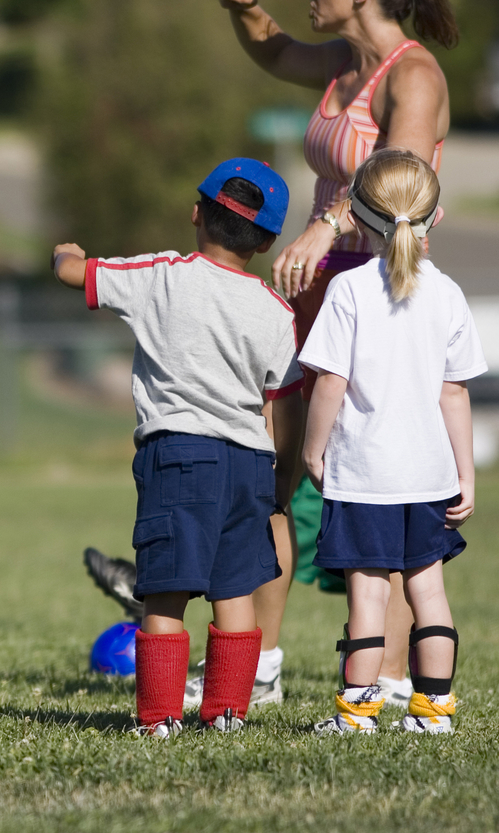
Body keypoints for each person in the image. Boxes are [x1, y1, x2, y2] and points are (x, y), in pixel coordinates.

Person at [218, 0, 460, 704]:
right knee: (272, 468)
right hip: (321, 286)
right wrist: (243, 10)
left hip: (383, 290)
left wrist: (324, 225)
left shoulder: (413, 77)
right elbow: (270, 49)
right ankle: (256, 665)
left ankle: (388, 676)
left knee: (382, 482)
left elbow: (398, 175)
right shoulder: (341, 64)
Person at [53, 159, 303, 735]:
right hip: (249, 464)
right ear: (266, 242)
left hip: (180, 456)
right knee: (236, 590)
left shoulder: (162, 274)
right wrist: (280, 485)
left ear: (197, 213)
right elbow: (286, 409)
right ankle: (228, 714)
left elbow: (77, 275)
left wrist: (63, 253)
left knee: (165, 591)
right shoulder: (277, 312)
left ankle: (159, 717)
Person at [300, 149, 484, 734]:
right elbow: (454, 394)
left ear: (354, 214)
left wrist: (311, 450)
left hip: (363, 473)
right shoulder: (449, 294)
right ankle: (433, 713)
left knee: (368, 599)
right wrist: (467, 474)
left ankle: (357, 714)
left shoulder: (348, 290)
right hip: (429, 474)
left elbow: (331, 382)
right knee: (428, 591)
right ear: (437, 217)